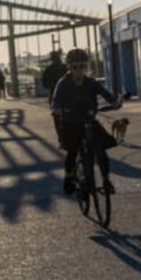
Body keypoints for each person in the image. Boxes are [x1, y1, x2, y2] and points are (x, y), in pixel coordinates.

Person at [51, 48, 120, 195]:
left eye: (82, 66)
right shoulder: (63, 83)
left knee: (101, 149)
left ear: (86, 67)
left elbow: (105, 93)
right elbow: (55, 101)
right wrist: (57, 109)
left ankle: (106, 180)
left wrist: (114, 101)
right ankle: (69, 176)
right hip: (71, 122)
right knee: (72, 150)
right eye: (74, 67)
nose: (79, 71)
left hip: (88, 120)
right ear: (69, 67)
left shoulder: (91, 83)